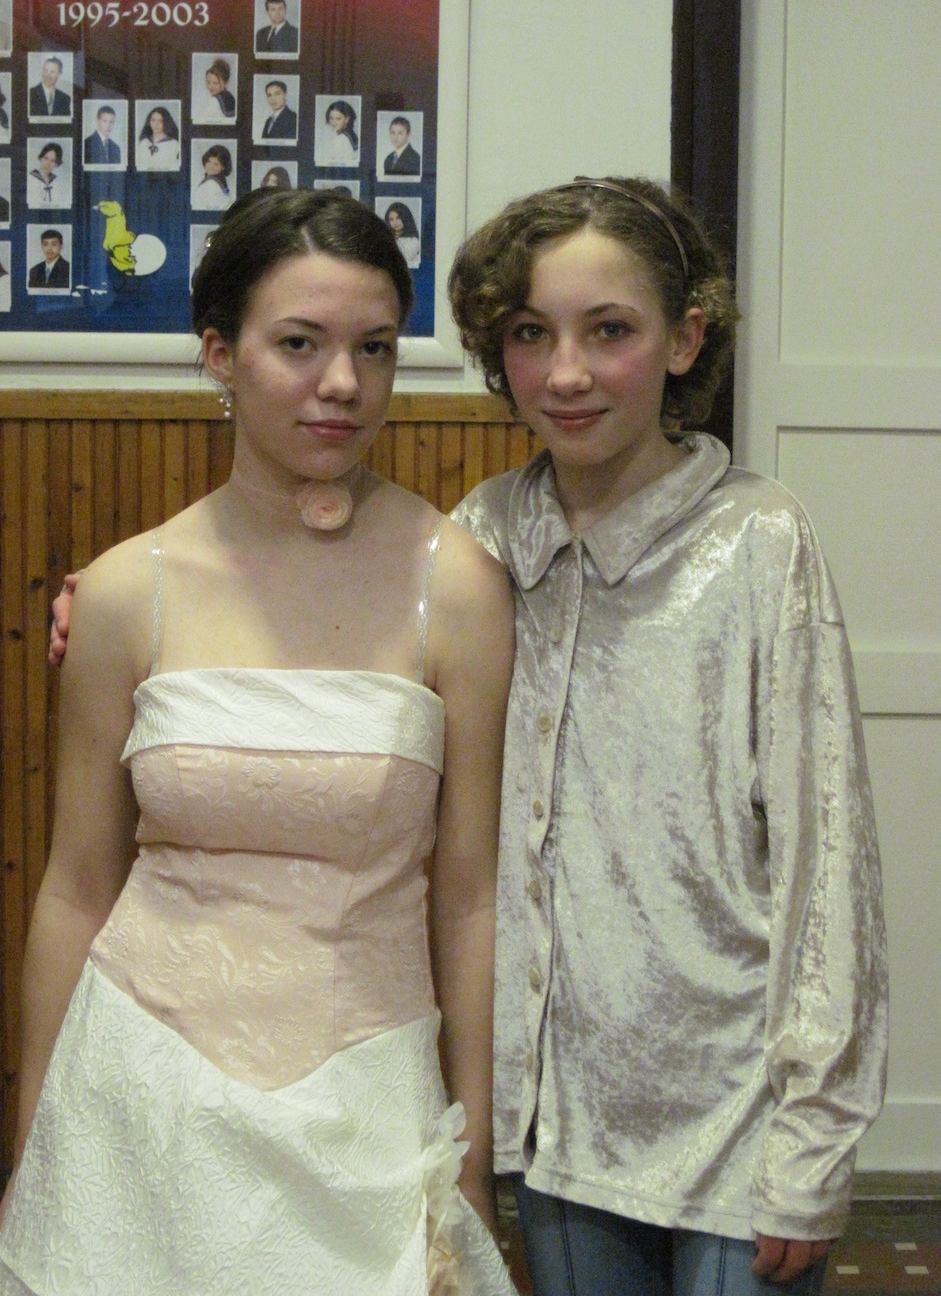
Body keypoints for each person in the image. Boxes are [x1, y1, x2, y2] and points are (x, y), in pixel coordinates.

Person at [0, 187, 516, 1296]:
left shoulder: (455, 585)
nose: (343, 384)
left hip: (365, 1096)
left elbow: (470, 897)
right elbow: (77, 886)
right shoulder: (126, 591)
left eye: (374, 348)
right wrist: (35, 1148)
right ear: (220, 353)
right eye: (300, 344)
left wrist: (474, 1151)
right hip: (138, 1091)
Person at [446, 176, 888, 1296]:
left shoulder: (760, 541)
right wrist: (110, 608)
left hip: (736, 1123)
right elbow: (342, 646)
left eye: (610, 331)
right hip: (560, 1124)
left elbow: (828, 857)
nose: (567, 373)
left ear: (686, 338)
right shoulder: (482, 537)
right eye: (531, 334)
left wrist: (812, 1141)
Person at [135, 105, 180, 171]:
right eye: (153, 120)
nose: (156, 124)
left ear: (166, 122)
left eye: (160, 121)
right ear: (149, 122)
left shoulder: (174, 144)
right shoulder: (143, 143)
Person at [317, 98, 358, 166]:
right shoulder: (351, 134)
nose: (333, 122)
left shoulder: (341, 139)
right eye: (331, 118)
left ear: (347, 119)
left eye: (338, 119)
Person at [192, 143, 233, 210]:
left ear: (223, 167)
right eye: (209, 161)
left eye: (215, 164)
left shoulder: (211, 184)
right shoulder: (219, 182)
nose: (210, 166)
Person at [26, 142, 64, 207]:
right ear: (41, 158)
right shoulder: (29, 179)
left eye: (52, 161)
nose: (48, 164)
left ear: (56, 164)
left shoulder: (56, 182)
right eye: (46, 158)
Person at [384, 201, 420, 268]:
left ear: (405, 218)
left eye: (398, 218)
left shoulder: (413, 241)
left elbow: (402, 260)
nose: (395, 222)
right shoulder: (386, 238)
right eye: (391, 219)